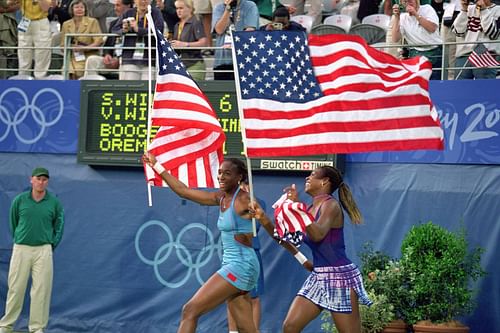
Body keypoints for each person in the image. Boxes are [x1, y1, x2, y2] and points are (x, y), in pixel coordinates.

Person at [142, 153, 260, 333]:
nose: (221, 176)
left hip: (240, 265)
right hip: (238, 264)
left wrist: (254, 216)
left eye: (227, 173)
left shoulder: (244, 199)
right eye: (220, 172)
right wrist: (156, 166)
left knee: (190, 310)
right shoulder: (220, 197)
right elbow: (184, 191)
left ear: (239, 177)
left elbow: (256, 222)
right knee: (246, 328)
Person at [251, 166, 372, 333]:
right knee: (290, 327)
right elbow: (283, 238)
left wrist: (297, 209)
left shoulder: (331, 205)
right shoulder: (307, 210)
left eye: (313, 175)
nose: (307, 178)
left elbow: (318, 234)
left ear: (324, 181)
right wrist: (263, 218)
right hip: (318, 277)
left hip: (340, 278)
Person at [0, 167, 65, 333]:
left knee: (41, 290)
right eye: (38, 178)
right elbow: (13, 221)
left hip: (43, 250)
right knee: (16, 288)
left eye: (44, 179)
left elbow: (59, 225)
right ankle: (6, 325)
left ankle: (37, 328)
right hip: (21, 249)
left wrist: (50, 244)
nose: (41, 182)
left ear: (47, 182)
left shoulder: (54, 202)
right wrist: (21, 240)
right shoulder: (20, 200)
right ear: (31, 180)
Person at [226, 182, 266, 333]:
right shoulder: (228, 202)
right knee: (231, 294)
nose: (242, 189)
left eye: (244, 186)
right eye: (239, 187)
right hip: (232, 254)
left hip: (251, 254)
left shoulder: (258, 203)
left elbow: (256, 227)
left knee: (253, 297)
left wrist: (250, 201)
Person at [112, 0, 165, 80]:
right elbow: (115, 29)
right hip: (130, 59)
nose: (143, 2)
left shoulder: (155, 13)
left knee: (147, 88)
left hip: (149, 60)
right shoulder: (128, 13)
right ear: (135, 1)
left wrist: (138, 30)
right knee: (130, 87)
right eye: (140, 0)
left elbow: (159, 30)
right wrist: (124, 30)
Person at [391, 0, 443, 80]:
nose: (408, 2)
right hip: (415, 54)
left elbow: (432, 28)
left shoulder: (427, 9)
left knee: (434, 85)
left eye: (410, 0)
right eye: (405, 1)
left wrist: (416, 14)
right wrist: (396, 17)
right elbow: (395, 38)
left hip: (434, 52)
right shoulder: (403, 17)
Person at [83, 0, 134, 78]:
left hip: (127, 60)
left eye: (118, 5)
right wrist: (107, 55)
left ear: (128, 6)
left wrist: (119, 59)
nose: (115, 8)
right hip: (112, 59)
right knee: (92, 60)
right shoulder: (114, 23)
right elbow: (107, 44)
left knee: (124, 65)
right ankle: (91, 87)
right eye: (115, 6)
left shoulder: (136, 23)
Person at [452, 0, 500, 79]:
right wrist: (464, 10)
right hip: (464, 54)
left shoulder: (498, 10)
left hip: (486, 55)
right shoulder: (469, 9)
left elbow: (493, 33)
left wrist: (484, 10)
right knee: (460, 88)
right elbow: (458, 32)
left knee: (484, 88)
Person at [212, 0, 259, 80]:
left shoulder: (250, 6)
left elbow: (250, 31)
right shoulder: (219, 8)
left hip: (244, 61)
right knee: (224, 91)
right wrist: (227, 9)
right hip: (223, 61)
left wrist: (235, 44)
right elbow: (219, 30)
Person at [8, 0, 52, 78]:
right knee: (23, 54)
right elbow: (9, 3)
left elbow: (45, 8)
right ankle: (23, 80)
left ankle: (40, 81)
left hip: (41, 22)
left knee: (42, 55)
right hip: (25, 22)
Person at [60, 0, 103, 79]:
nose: (79, 9)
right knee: (65, 70)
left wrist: (84, 48)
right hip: (71, 57)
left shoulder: (92, 22)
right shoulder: (66, 24)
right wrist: (71, 48)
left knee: (78, 70)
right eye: (76, 7)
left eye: (82, 7)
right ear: (72, 10)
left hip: (87, 55)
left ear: (85, 9)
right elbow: (63, 45)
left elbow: (98, 41)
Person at [170, 0, 207, 81]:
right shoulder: (177, 25)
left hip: (194, 64)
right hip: (181, 64)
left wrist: (185, 44)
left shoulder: (195, 22)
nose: (178, 11)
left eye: (181, 8)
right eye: (177, 8)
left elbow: (203, 42)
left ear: (190, 9)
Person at [0, 0, 19, 79]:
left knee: (9, 54)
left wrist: (5, 9)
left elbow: (19, 4)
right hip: (5, 25)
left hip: (11, 24)